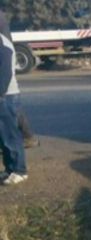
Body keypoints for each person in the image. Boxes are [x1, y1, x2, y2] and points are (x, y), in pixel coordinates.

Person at [0, 10, 27, 184]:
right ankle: (10, 169)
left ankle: (19, 170)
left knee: (10, 135)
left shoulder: (3, 44)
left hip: (5, 95)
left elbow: (5, 71)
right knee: (4, 136)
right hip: (3, 95)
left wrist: (0, 93)